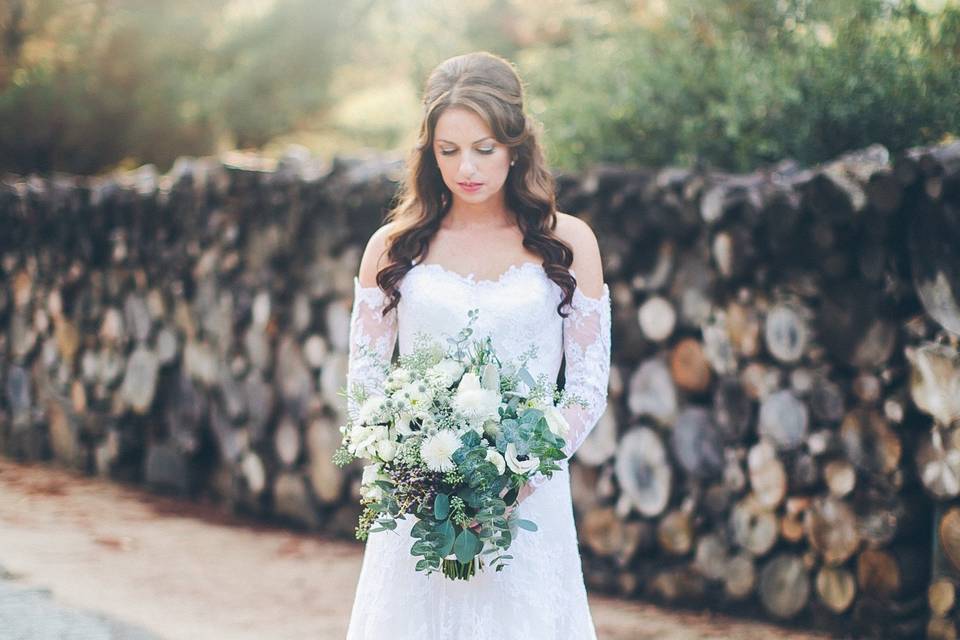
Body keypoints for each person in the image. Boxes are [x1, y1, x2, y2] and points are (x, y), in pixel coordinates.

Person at [344, 50, 611, 640]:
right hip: (419, 507)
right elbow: (365, 382)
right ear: (429, 150)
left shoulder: (568, 242)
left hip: (529, 499)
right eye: (448, 150)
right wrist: (414, 471)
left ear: (515, 144)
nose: (466, 167)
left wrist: (519, 473)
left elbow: (588, 387)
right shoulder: (392, 248)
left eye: (483, 148)